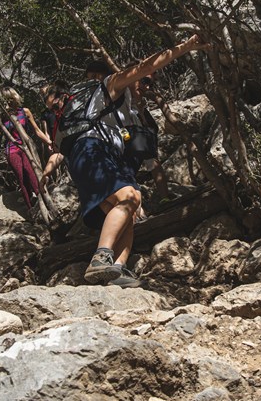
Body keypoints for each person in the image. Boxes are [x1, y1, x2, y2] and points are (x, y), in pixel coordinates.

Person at [57, 34, 206, 288]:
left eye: (149, 83)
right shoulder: (112, 86)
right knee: (130, 197)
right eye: (143, 80)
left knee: (130, 211)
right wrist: (186, 47)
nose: (145, 85)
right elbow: (147, 66)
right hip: (92, 149)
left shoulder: (128, 109)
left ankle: (118, 269)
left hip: (95, 156)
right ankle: (101, 257)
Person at [0, 87, 52, 213]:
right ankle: (31, 210)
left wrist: (49, 142)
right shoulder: (1, 117)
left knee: (31, 173)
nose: (7, 103)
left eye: (9, 100)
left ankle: (45, 204)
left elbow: (37, 130)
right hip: (12, 150)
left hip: (26, 148)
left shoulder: (24, 112)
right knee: (21, 177)